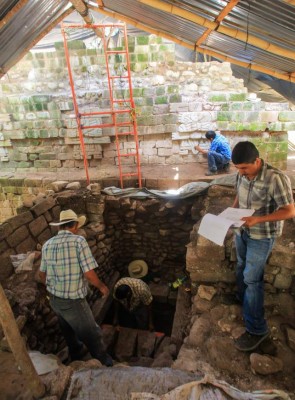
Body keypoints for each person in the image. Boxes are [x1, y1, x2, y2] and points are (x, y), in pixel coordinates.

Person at [231, 141, 295, 352]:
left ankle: (257, 330)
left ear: (256, 161)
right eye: (238, 169)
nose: (242, 173)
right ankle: (244, 300)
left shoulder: (276, 179)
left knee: (252, 277)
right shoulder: (241, 173)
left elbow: (289, 211)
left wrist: (258, 220)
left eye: (245, 168)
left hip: (262, 234)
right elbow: (238, 194)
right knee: (240, 265)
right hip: (242, 229)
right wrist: (231, 211)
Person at [39, 209, 113, 366]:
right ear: (76, 225)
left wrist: (54, 287)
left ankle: (76, 354)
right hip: (73, 301)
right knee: (91, 333)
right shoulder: (79, 241)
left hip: (54, 299)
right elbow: (89, 274)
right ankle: (104, 362)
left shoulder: (47, 245)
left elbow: (41, 274)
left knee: (67, 328)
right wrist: (102, 287)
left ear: (60, 226)